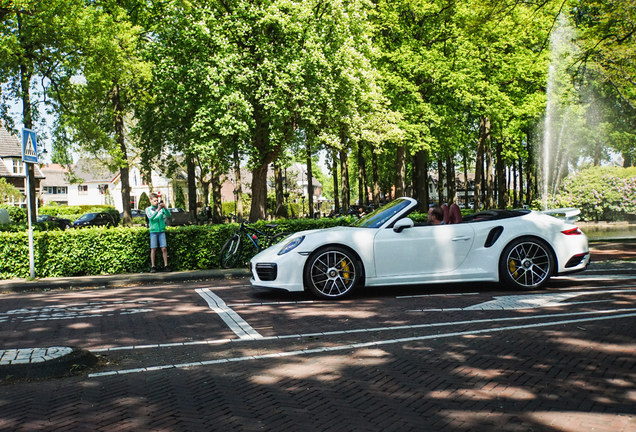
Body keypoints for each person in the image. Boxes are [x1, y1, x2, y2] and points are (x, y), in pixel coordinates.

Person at [146, 193, 172, 272]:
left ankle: (166, 265)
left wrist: (164, 207)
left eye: (157, 201)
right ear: (150, 201)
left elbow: (169, 215)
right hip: (153, 231)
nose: (156, 202)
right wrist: (157, 210)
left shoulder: (161, 208)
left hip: (161, 231)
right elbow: (150, 218)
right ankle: (153, 266)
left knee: (164, 248)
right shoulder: (148, 209)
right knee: (153, 249)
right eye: (154, 201)